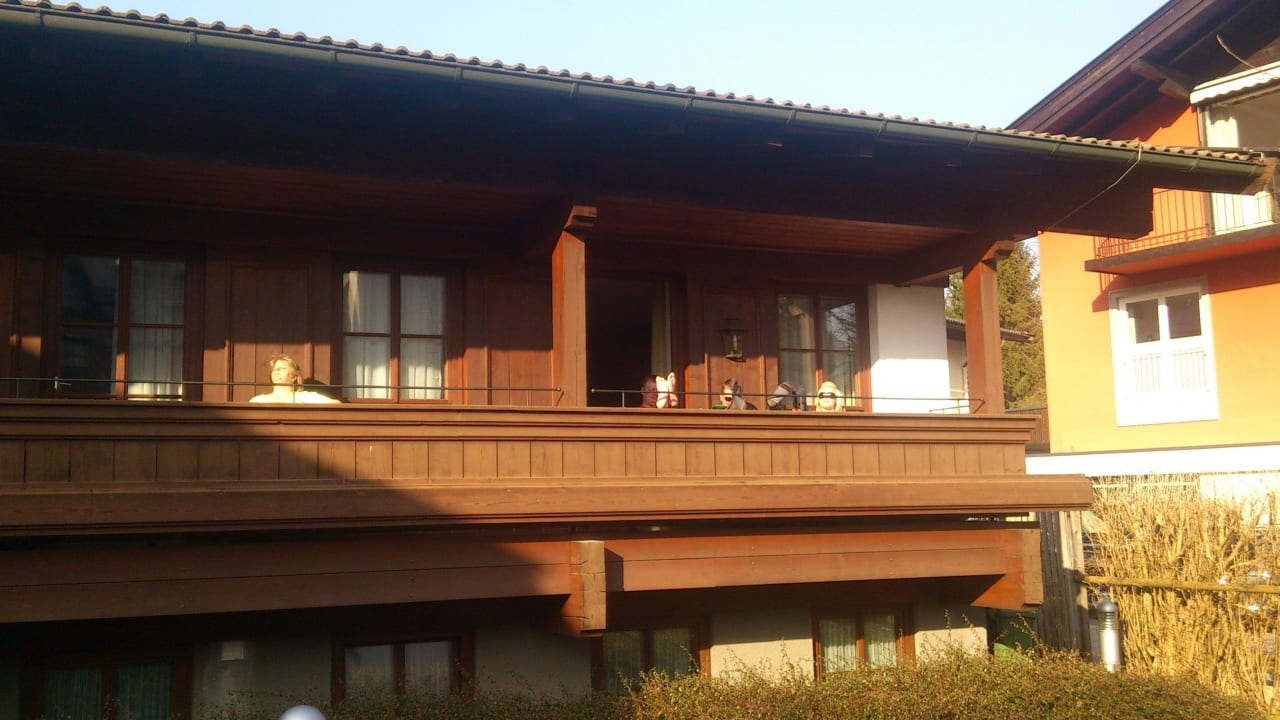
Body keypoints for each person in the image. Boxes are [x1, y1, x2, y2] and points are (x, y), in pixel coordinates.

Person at [249, 353, 341, 404]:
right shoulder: (258, 401)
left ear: (294, 377)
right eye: (274, 369)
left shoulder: (305, 397)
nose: (276, 371)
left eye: (281, 368)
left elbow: (336, 404)